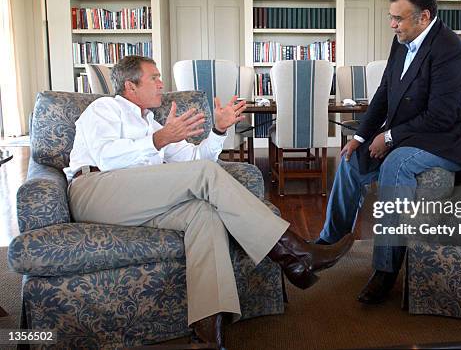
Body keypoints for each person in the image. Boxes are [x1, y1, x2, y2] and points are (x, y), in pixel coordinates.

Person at [64, 55, 354, 348]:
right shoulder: (104, 108)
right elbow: (106, 158)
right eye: (154, 78)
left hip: (137, 201)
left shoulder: (153, 124)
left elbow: (194, 160)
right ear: (130, 85)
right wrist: (160, 140)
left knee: (205, 214)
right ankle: (296, 255)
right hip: (94, 191)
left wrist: (218, 130)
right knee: (204, 176)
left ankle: (207, 336)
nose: (162, 84)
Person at [315, 0, 461, 304]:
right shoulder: (402, 40)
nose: (392, 24)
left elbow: (441, 117)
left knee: (396, 163)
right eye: (391, 16)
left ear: (424, 17)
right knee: (352, 159)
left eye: (400, 17)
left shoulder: (451, 51)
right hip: (412, 131)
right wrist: (360, 137)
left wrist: (390, 137)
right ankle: (328, 244)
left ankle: (385, 271)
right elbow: (383, 94)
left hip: (448, 139)